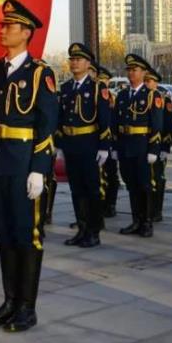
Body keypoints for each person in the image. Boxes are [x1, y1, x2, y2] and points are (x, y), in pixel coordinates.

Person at [0, 0, 59, 333]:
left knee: (27, 235)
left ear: (26, 32)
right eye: (3, 25)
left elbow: (47, 125)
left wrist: (39, 168)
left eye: (9, 26)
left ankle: (27, 307)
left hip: (24, 163)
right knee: (4, 233)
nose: (3, 30)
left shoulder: (40, 74)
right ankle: (10, 301)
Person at [55, 43, 111, 248]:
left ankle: (94, 232)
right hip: (71, 144)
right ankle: (82, 229)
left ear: (88, 64)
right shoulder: (66, 88)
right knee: (76, 189)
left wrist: (104, 146)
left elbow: (105, 119)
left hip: (89, 144)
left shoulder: (97, 87)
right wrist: (60, 145)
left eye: (78, 59)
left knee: (92, 190)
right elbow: (60, 118)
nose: (74, 63)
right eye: (72, 59)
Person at [113, 54, 162, 238]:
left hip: (142, 146)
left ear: (144, 73)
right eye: (129, 70)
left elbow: (157, 125)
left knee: (144, 185)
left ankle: (147, 222)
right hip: (125, 145)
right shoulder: (122, 95)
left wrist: (154, 149)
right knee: (131, 185)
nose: (131, 73)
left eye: (135, 70)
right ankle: (136, 220)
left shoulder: (151, 95)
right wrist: (115, 147)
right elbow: (115, 123)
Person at [93, 63, 121, 219]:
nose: (102, 83)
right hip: (95, 141)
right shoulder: (94, 95)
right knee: (97, 176)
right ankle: (98, 206)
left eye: (105, 81)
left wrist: (115, 145)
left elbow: (115, 123)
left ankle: (110, 204)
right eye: (100, 80)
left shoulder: (113, 98)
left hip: (109, 141)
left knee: (111, 175)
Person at [143, 69, 170, 223]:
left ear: (156, 83)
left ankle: (157, 211)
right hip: (143, 145)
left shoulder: (163, 99)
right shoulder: (141, 97)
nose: (147, 84)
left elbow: (167, 124)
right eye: (145, 81)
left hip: (158, 146)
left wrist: (165, 147)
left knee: (157, 178)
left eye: (149, 81)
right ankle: (147, 210)